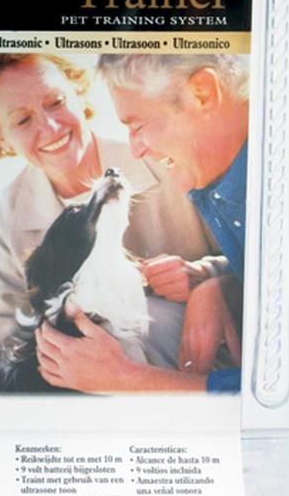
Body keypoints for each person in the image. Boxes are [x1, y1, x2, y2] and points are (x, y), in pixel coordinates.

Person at [0, 53, 218, 380]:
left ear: (79, 94)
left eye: (56, 102)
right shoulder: (10, 215)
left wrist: (209, 280)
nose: (50, 127)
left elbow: (256, 261)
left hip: (207, 373)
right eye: (22, 120)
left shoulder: (165, 158)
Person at [35, 54, 249, 394]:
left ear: (202, 93)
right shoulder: (216, 182)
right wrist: (218, 283)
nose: (134, 150)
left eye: (138, 126)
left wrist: (129, 379)